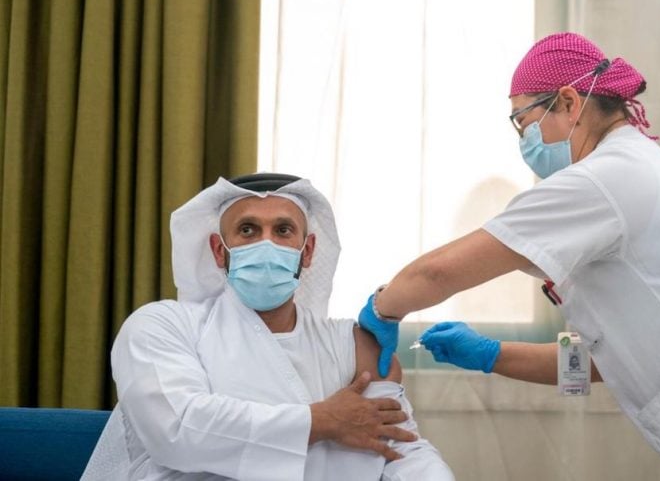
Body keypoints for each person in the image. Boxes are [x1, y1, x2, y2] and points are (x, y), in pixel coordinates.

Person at [358, 32, 660, 481]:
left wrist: (382, 309)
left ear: (568, 102)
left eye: (523, 121)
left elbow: (438, 273)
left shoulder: (605, 179)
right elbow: (605, 359)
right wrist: (489, 354)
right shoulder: (640, 171)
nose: (524, 141)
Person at [83, 173, 454, 480]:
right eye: (247, 230)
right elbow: (177, 430)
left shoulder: (352, 345)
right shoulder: (162, 326)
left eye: (283, 230)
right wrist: (322, 420)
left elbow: (402, 449)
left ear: (307, 251)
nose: (266, 244)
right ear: (219, 251)